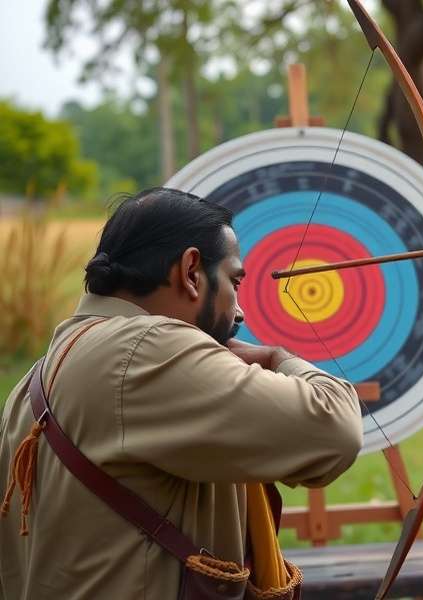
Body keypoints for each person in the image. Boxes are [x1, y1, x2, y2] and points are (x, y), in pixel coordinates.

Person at [0, 187, 363, 599]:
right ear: (191, 271)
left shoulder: (42, 370)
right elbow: (335, 429)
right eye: (234, 281)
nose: (240, 312)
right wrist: (278, 357)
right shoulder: (148, 350)